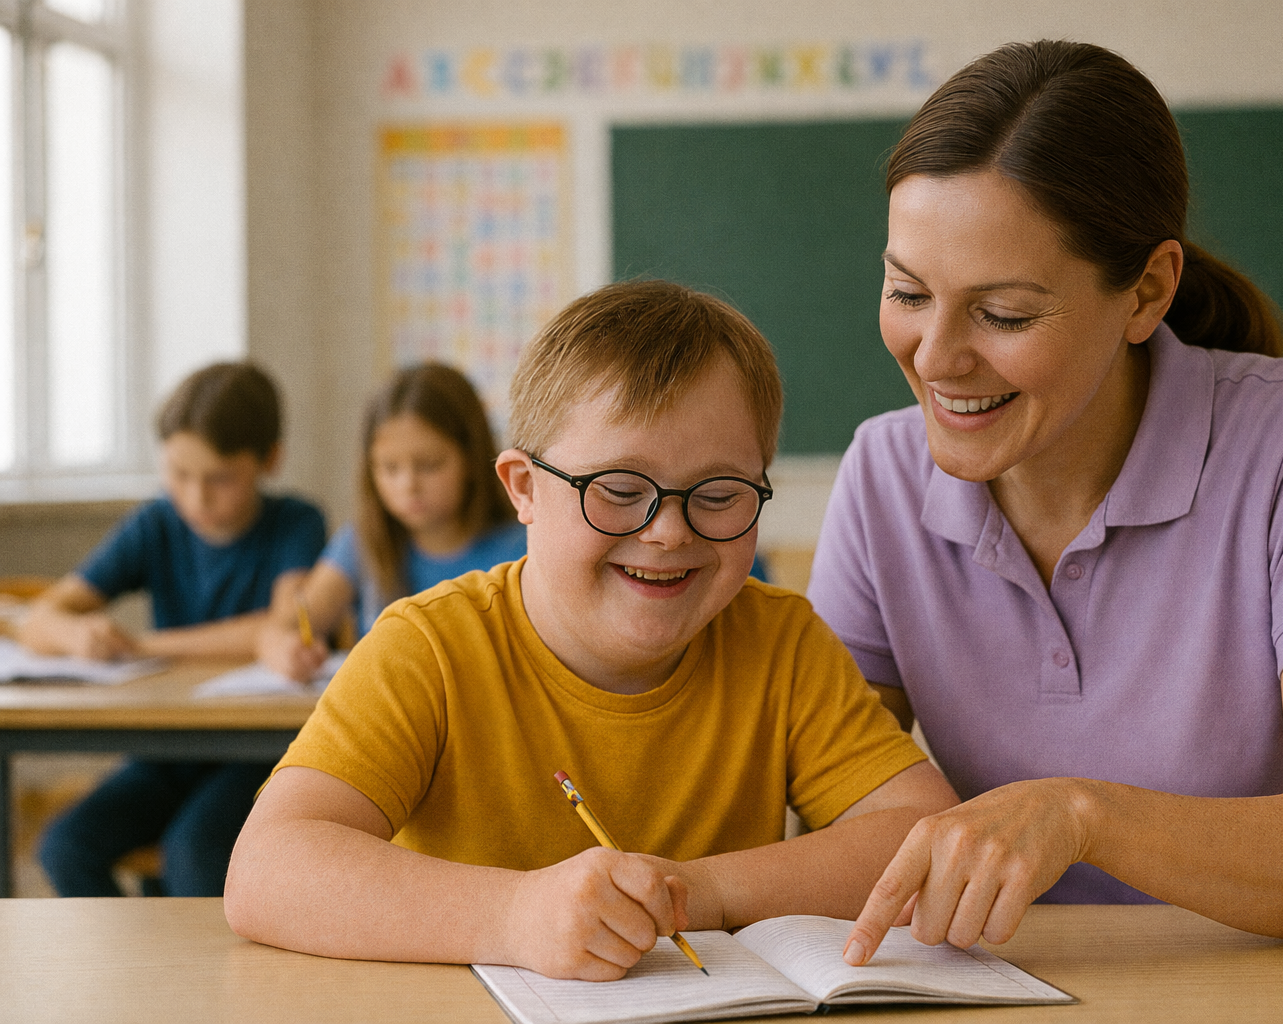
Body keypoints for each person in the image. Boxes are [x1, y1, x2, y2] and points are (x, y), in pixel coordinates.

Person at [798, 40, 1283, 965]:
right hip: (1007, 987)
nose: (936, 358)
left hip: (1267, 987)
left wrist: (1080, 813)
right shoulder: (883, 473)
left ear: (1147, 292)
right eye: (907, 291)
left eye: (1005, 314)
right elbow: (823, 803)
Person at [223, 280, 958, 979]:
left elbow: (920, 832)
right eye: (618, 490)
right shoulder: (430, 646)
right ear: (524, 489)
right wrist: (513, 915)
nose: (669, 531)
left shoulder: (780, 642)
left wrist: (700, 892)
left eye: (720, 493)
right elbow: (267, 869)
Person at [20, 362, 326, 896]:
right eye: (178, 475)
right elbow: (39, 617)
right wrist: (76, 635)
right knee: (65, 846)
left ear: (268, 460)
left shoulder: (297, 523)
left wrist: (140, 645)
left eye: (219, 479)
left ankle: (199, 977)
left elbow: (276, 627)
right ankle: (133, 969)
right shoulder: (156, 523)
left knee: (192, 856)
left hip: (255, 755)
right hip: (167, 752)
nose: (195, 498)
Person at [257, 364, 526, 680]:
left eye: (429, 465)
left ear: (471, 458)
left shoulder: (524, 544)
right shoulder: (361, 541)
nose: (407, 485)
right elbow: (281, 627)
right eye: (389, 468)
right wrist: (283, 650)